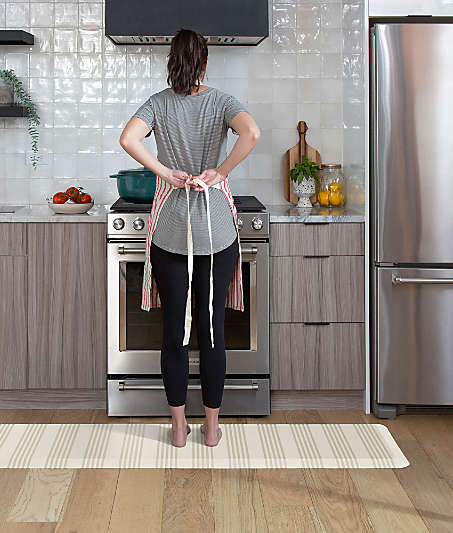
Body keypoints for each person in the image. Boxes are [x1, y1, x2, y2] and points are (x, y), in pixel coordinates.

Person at [119, 28, 260, 448]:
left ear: (171, 62)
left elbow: (128, 139)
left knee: (175, 331)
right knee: (212, 331)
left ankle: (179, 428)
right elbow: (252, 133)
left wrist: (165, 172)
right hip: (216, 232)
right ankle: (212, 428)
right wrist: (221, 172)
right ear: (204, 63)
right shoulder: (222, 101)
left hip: (170, 233)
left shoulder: (158, 103)